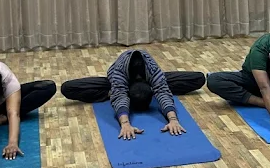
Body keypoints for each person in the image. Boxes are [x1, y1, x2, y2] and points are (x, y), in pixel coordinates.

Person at [61, 50, 205, 140]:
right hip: (117, 84)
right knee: (68, 88)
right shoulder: (119, 72)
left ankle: (146, 88)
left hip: (148, 84)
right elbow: (120, 96)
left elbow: (162, 91)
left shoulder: (151, 68)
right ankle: (112, 91)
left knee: (198, 78)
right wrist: (125, 123)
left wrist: (173, 119)